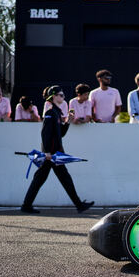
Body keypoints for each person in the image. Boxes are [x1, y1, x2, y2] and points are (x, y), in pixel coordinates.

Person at [21, 85, 93, 214]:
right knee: (62, 179)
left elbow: (61, 134)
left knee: (42, 179)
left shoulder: (56, 112)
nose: (63, 97)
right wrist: (47, 152)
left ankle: (26, 205)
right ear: (53, 96)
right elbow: (45, 133)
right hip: (52, 154)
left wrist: (68, 122)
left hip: (54, 153)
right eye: (61, 95)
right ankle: (79, 205)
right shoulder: (50, 112)